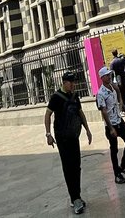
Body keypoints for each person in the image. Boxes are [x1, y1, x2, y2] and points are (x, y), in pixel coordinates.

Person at [44, 70, 93, 215]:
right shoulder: (56, 97)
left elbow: (80, 112)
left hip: (73, 136)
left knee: (76, 166)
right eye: (71, 82)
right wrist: (48, 134)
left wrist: (87, 130)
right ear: (64, 83)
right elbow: (47, 115)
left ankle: (76, 196)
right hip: (62, 138)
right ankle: (75, 198)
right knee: (68, 167)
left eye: (74, 82)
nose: (73, 85)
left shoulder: (74, 96)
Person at [96, 67, 125, 184]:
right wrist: (111, 128)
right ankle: (117, 174)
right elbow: (103, 111)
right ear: (102, 78)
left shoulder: (113, 87)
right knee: (114, 149)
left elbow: (119, 96)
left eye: (109, 75)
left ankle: (123, 165)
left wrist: (120, 100)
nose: (109, 77)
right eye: (107, 75)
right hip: (111, 124)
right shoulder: (101, 93)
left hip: (119, 120)